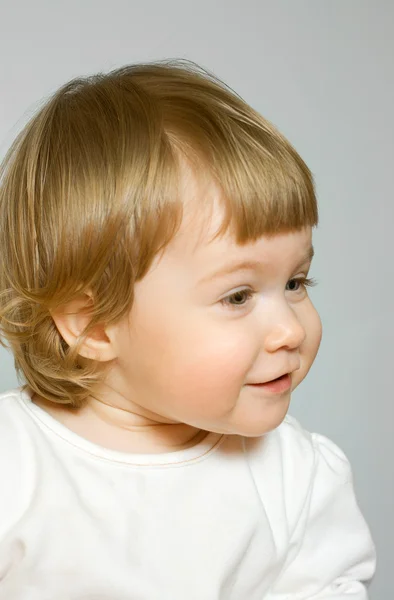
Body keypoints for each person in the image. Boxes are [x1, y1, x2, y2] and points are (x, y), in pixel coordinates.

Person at [0, 59, 376, 599]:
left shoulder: (297, 477)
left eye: (296, 282)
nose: (289, 330)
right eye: (238, 296)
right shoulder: (15, 469)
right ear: (94, 323)